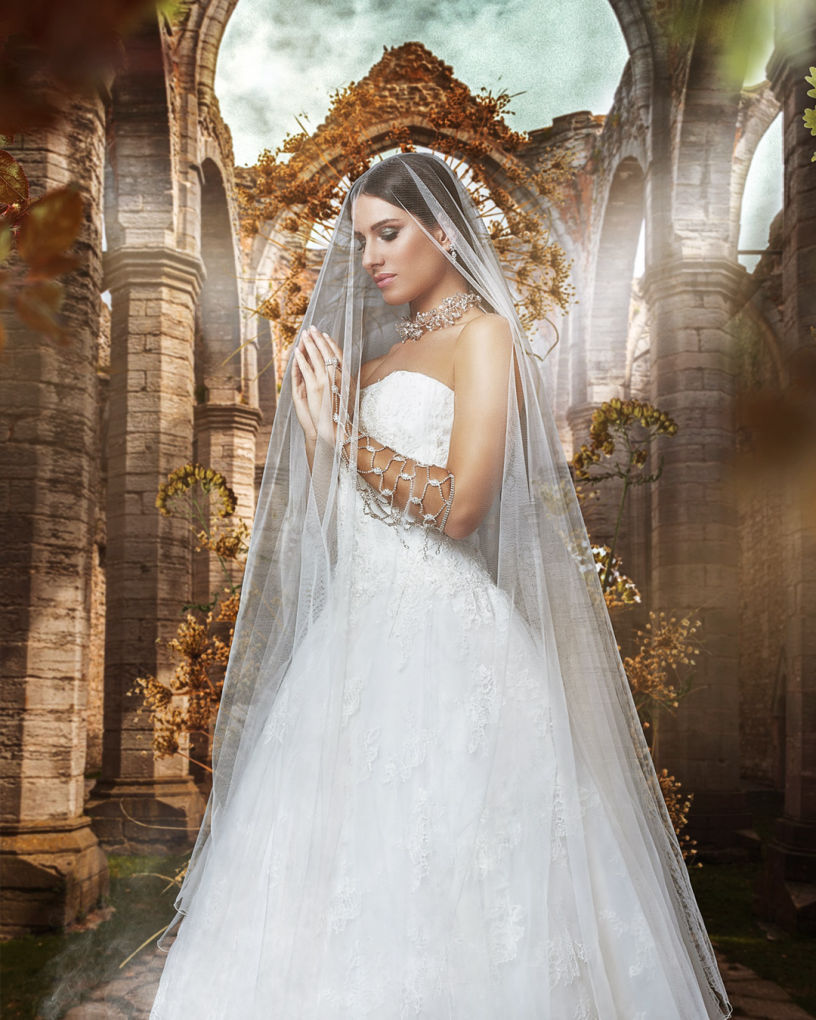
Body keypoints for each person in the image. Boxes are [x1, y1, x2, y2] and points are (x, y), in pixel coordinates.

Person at [148, 152, 732, 1018]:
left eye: (390, 233)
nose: (372, 257)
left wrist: (344, 436)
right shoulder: (376, 366)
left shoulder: (485, 335)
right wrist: (315, 435)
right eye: (362, 240)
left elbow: (463, 506)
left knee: (472, 881)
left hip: (455, 644)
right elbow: (334, 530)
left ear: (444, 231)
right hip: (353, 650)